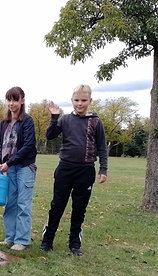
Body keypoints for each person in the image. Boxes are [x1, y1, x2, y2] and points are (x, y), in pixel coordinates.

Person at [39, 84, 108, 256]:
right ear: (72, 101)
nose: (80, 104)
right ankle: (47, 240)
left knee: (79, 208)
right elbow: (50, 135)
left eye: (83, 100)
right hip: (65, 169)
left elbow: (102, 147)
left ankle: (74, 244)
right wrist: (54, 117)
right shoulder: (64, 120)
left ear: (90, 101)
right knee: (57, 205)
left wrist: (103, 169)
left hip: (86, 171)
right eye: (76, 100)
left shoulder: (96, 122)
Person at [0, 86, 37, 251]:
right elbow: (1, 144)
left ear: (22, 100)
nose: (11, 103)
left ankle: (22, 240)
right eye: (9, 99)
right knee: (10, 203)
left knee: (23, 204)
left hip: (25, 167)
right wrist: (0, 158)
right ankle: (10, 237)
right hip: (9, 168)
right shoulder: (4, 123)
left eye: (15, 99)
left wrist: (10, 162)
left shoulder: (27, 121)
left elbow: (28, 146)